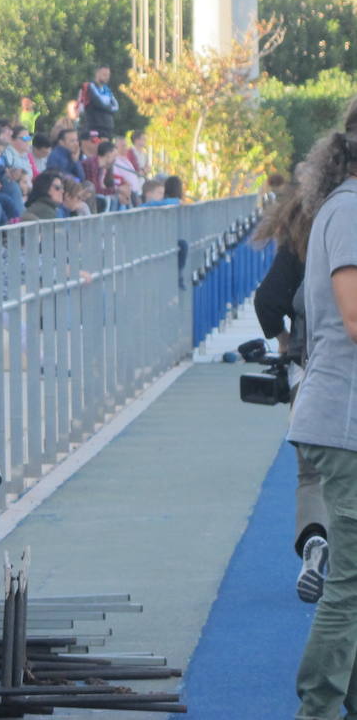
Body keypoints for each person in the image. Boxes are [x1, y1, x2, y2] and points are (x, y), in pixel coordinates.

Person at [289, 104, 357, 717]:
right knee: (351, 584)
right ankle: (317, 709)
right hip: (344, 424)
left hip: (343, 420)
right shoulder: (352, 211)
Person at [252, 184, 330, 603]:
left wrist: (283, 339)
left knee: (312, 474)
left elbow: (267, 299)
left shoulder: (305, 226)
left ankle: (314, 538)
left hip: (314, 371)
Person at [78, 65, 119, 138]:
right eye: (104, 74)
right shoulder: (90, 86)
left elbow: (116, 106)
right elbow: (98, 103)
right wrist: (109, 107)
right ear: (97, 74)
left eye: (108, 75)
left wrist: (108, 107)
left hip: (108, 127)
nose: (107, 77)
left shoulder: (107, 90)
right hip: (95, 127)